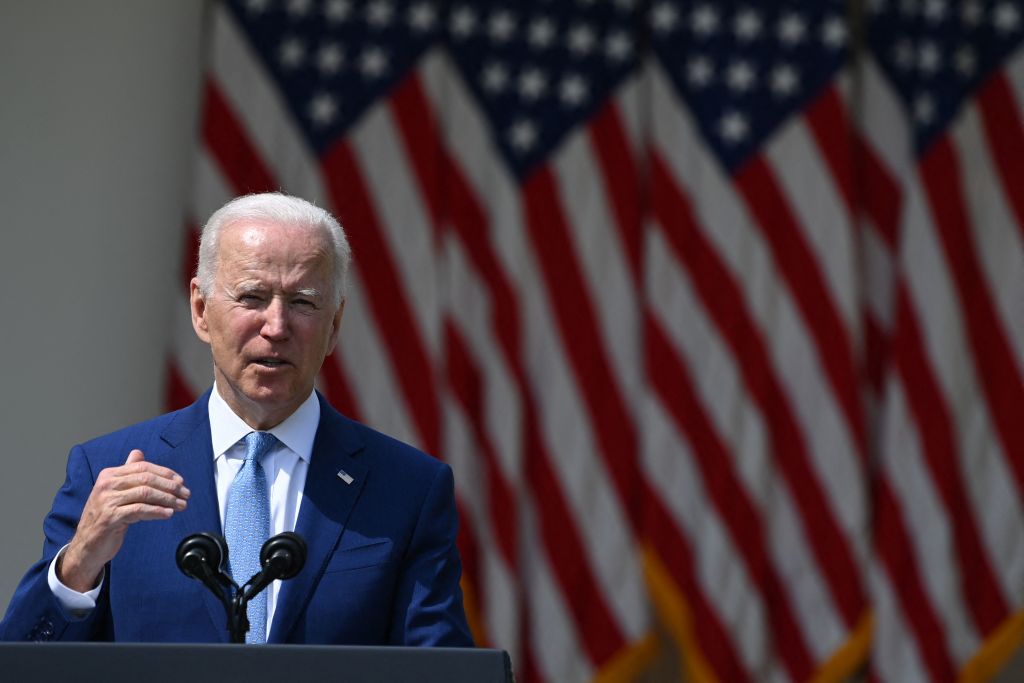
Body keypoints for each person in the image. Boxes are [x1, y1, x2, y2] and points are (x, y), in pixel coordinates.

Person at [0, 192, 473, 646]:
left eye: (303, 302)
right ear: (201, 310)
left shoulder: (407, 489)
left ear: (334, 325)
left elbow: (439, 666)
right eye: (251, 297)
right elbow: (23, 659)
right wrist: (79, 564)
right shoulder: (105, 472)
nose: (276, 326)